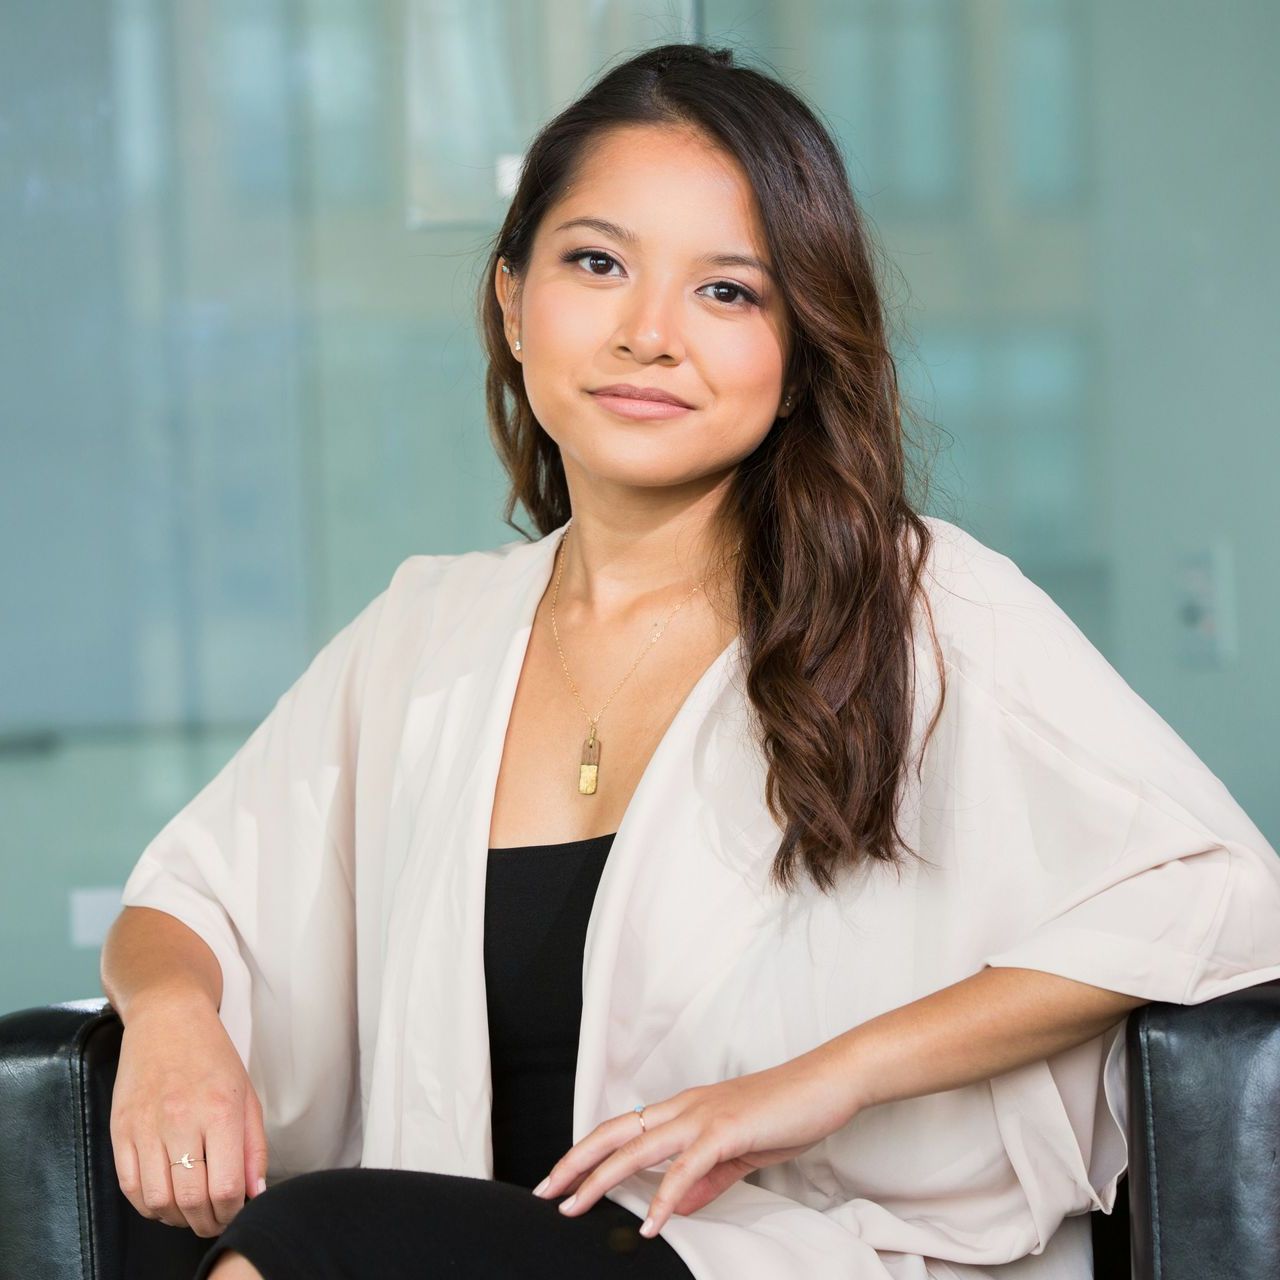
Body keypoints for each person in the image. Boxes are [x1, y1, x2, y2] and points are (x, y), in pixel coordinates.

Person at [99, 41, 1280, 1280]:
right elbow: (188, 895)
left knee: (311, 1239)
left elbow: (1214, 891)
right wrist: (174, 1019)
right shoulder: (426, 635)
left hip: (781, 1258)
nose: (649, 334)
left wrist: (818, 1081)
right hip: (471, 1246)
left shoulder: (917, 603)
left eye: (728, 291)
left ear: (798, 348)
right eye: (597, 263)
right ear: (511, 298)